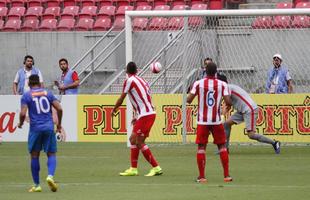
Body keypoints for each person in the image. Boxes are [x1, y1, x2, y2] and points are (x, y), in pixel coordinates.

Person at [112, 62, 162, 177]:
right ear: (137, 70)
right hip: (147, 113)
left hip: (146, 115)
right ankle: (133, 169)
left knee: (139, 141)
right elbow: (142, 99)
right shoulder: (143, 80)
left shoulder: (129, 81)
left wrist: (114, 109)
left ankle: (156, 167)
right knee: (132, 139)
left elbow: (122, 98)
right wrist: (136, 116)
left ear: (126, 72)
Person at [187, 62, 233, 183]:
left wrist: (193, 89)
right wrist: (224, 106)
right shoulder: (223, 84)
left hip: (202, 121)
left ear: (205, 71)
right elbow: (228, 101)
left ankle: (202, 177)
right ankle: (227, 176)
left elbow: (189, 100)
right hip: (216, 120)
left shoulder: (198, 83)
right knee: (222, 146)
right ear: (216, 72)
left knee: (201, 147)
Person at [17, 74, 63, 192]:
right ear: (39, 83)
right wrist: (58, 124)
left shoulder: (26, 95)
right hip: (48, 127)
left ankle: (37, 185)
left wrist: (21, 123)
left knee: (34, 156)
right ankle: (50, 176)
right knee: (51, 154)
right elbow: (59, 109)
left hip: (35, 129)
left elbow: (22, 114)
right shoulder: (48, 93)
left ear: (28, 83)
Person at [217, 74, 281, 154]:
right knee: (226, 124)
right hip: (243, 110)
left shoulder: (227, 88)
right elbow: (228, 103)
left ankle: (274, 143)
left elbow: (228, 102)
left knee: (251, 135)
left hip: (250, 110)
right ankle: (225, 149)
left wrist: (223, 109)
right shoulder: (228, 88)